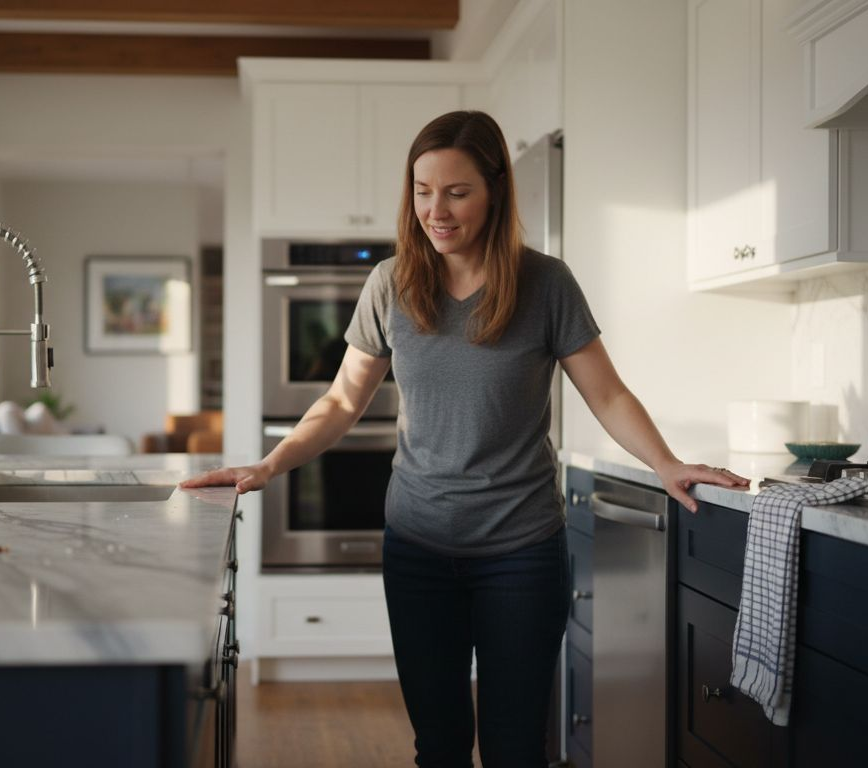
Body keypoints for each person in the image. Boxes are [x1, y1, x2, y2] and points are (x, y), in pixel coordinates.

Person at [180, 110, 749, 767]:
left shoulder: (546, 285)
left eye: (456, 192)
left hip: (521, 550)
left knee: (513, 749)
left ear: (496, 190)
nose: (435, 210)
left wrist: (667, 463)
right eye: (423, 191)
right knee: (441, 746)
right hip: (418, 549)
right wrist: (270, 464)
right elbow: (341, 400)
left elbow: (608, 393)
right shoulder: (391, 285)